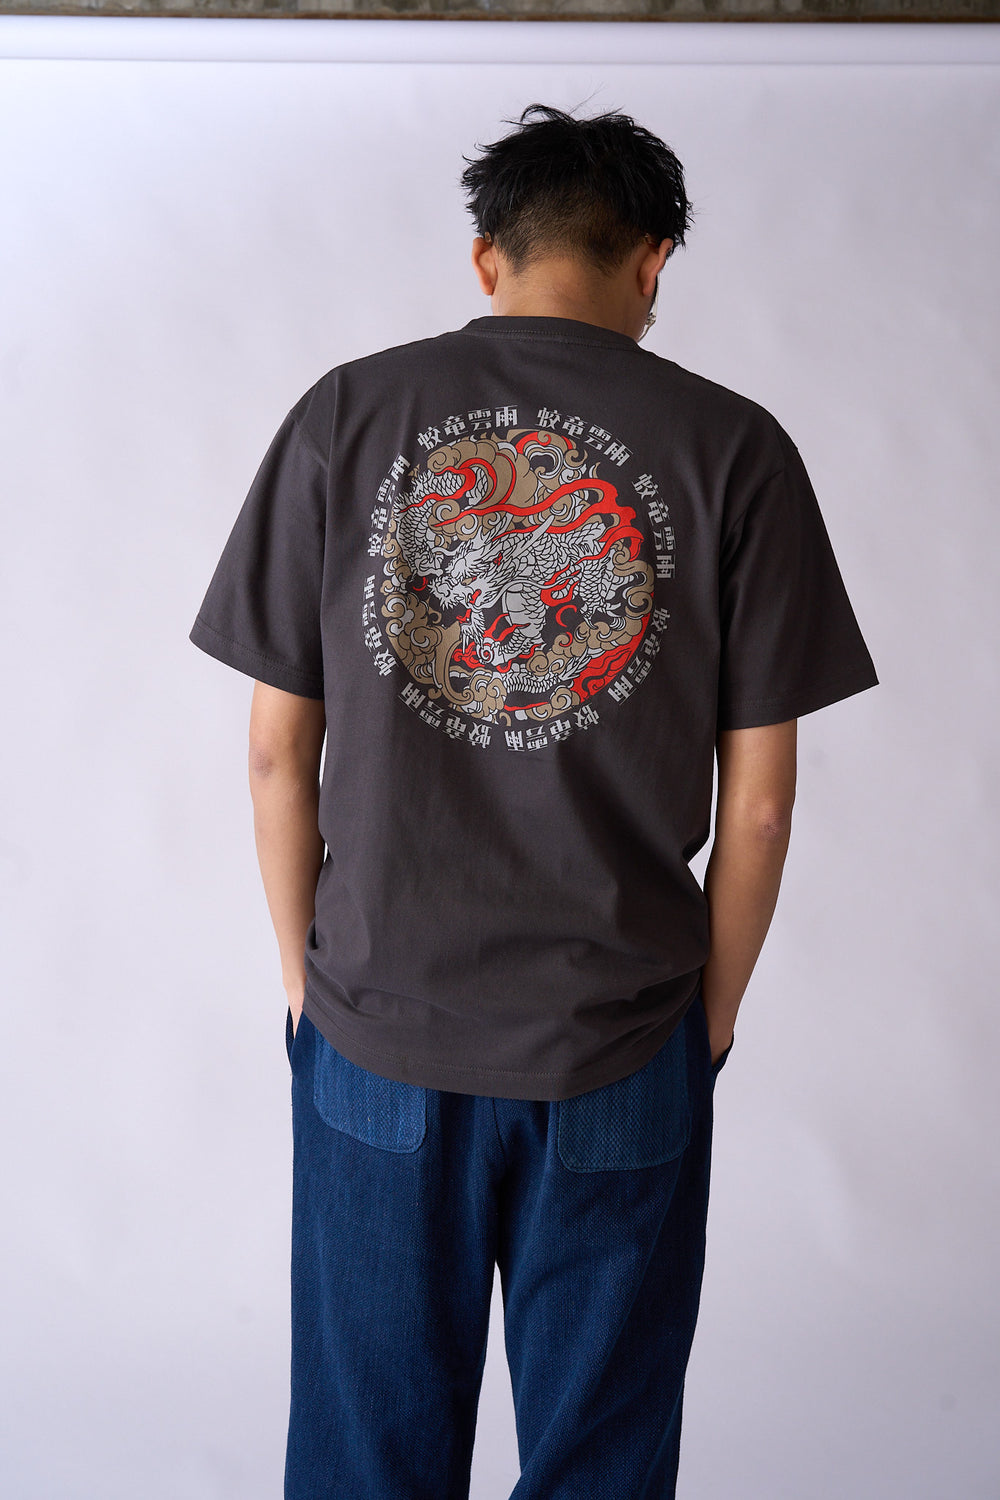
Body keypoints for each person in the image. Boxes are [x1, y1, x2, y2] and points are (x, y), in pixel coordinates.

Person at [189, 102, 878, 1499]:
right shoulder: (736, 448)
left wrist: (309, 987)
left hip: (378, 1029)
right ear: (655, 259)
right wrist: (704, 1022)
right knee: (599, 1460)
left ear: (486, 257)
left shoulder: (345, 415)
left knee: (366, 1459)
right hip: (620, 1039)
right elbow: (759, 809)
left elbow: (274, 754)